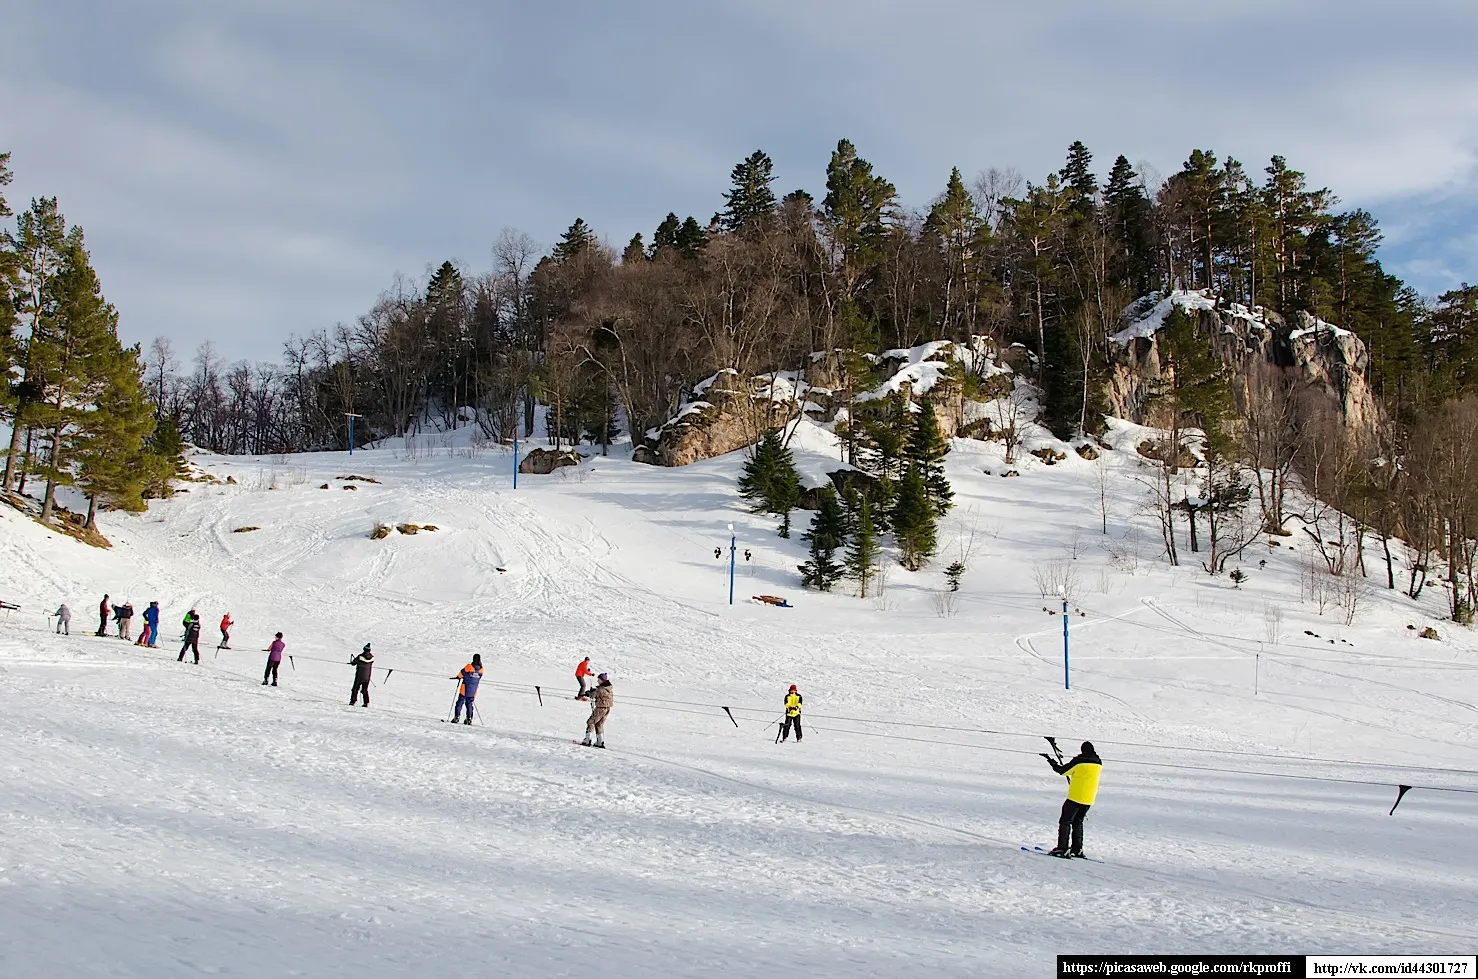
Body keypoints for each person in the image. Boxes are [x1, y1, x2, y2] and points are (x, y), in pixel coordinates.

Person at [1040, 741, 1102, 858]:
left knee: (1065, 821)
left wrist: (1052, 762)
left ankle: (1062, 848)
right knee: (1078, 822)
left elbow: (1062, 771)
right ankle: (1077, 848)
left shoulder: (1079, 761)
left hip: (1075, 797)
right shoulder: (1099, 763)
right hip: (1089, 799)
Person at [580, 673, 614, 747]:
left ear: (602, 680)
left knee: (590, 722)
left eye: (598, 680)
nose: (597, 681)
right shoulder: (608, 687)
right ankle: (599, 741)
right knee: (599, 724)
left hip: (601, 708)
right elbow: (599, 692)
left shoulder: (601, 689)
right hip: (607, 708)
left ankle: (587, 740)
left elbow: (594, 694)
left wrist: (589, 693)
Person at [451, 653, 483, 724]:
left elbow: (462, 673)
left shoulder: (469, 666)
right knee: (469, 704)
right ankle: (469, 719)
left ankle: (456, 717)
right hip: (473, 690)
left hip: (465, 688)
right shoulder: (481, 669)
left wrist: (459, 677)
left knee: (460, 703)